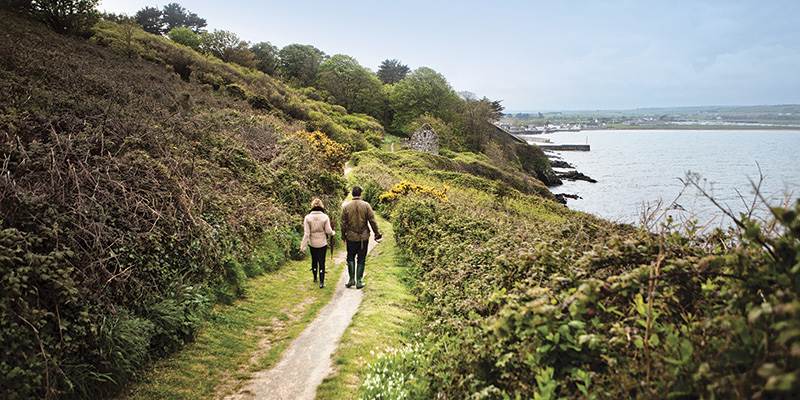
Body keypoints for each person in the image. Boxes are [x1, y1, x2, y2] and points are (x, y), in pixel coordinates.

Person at [341, 186, 381, 289]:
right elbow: (372, 221)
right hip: (363, 237)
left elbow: (343, 223)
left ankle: (351, 280)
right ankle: (359, 281)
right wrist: (376, 233)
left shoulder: (346, 207)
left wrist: (343, 235)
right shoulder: (366, 205)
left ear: (352, 194)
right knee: (361, 258)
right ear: (360, 194)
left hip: (351, 237)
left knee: (350, 257)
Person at [300, 198, 334, 288]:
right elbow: (328, 231)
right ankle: (322, 282)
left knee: (314, 260)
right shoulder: (325, 217)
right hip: (322, 243)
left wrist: (303, 246)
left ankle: (315, 278)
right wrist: (333, 233)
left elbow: (306, 234)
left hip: (312, 243)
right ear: (321, 205)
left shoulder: (307, 218)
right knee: (322, 261)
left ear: (312, 206)